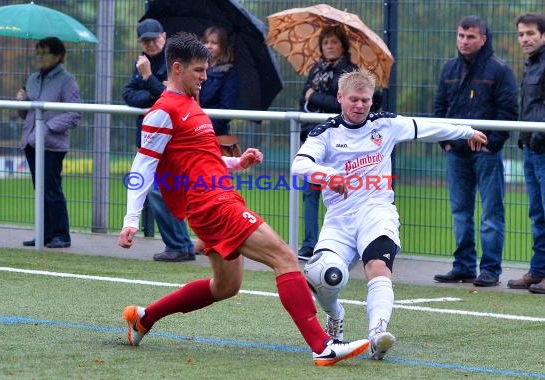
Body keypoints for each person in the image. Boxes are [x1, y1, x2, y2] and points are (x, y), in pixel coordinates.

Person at [119, 32, 370, 366]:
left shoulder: (192, 105)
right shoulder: (162, 112)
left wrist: (236, 163)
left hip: (217, 200)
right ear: (177, 69)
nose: (205, 77)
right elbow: (143, 167)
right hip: (213, 205)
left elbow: (201, 160)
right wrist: (131, 220)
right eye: (198, 71)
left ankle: (144, 318)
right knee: (284, 256)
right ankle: (323, 346)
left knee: (225, 286)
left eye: (206, 70)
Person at [291, 69, 488, 360]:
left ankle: (376, 335)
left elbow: (429, 127)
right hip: (339, 220)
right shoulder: (326, 133)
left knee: (378, 268)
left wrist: (467, 132)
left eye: (366, 100)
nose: (359, 106)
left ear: (372, 101)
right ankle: (335, 313)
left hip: (377, 211)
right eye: (354, 100)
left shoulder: (386, 125)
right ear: (340, 98)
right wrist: (327, 174)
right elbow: (299, 165)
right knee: (325, 277)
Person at [432, 15, 519, 287]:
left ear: (483, 39)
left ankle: (490, 269)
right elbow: (439, 108)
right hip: (455, 153)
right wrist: (445, 142)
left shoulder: (499, 70)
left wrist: (490, 143)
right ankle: (464, 266)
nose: (464, 41)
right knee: (460, 212)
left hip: (487, 154)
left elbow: (508, 112)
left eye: (470, 36)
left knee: (491, 213)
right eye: (461, 35)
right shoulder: (449, 69)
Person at [122, 18, 195, 262]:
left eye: (154, 39)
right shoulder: (141, 62)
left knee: (160, 192)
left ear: (164, 37)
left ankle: (179, 245)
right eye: (146, 40)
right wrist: (152, 89)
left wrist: (148, 77)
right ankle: (181, 245)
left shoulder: (173, 63)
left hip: (172, 141)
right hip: (152, 138)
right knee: (163, 191)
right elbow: (129, 95)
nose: (151, 44)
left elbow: (169, 96)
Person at [297, 25, 358, 262]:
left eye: (334, 42)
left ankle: (346, 243)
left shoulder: (350, 72)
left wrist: (315, 97)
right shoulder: (315, 69)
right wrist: (312, 98)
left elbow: (342, 104)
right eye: (325, 43)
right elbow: (302, 96)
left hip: (340, 141)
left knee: (342, 194)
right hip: (313, 138)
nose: (329, 47)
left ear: (343, 45)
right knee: (310, 192)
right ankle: (310, 244)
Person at [16, 37, 81, 249]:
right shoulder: (33, 78)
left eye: (44, 53)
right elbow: (24, 114)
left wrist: (47, 127)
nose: (40, 57)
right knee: (40, 189)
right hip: (30, 142)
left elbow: (75, 114)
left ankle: (61, 235)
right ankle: (43, 234)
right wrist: (21, 103)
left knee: (52, 189)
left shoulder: (67, 80)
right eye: (38, 52)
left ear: (58, 56)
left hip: (52, 145)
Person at [507, 13, 545, 294]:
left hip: (543, 146)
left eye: (530, 33)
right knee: (537, 214)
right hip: (531, 148)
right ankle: (539, 271)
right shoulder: (531, 65)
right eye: (521, 34)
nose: (525, 39)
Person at [199, 25, 239, 137]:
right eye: (206, 42)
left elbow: (226, 111)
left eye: (214, 43)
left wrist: (203, 128)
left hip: (214, 133)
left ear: (222, 46)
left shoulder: (230, 74)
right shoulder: (197, 69)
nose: (208, 46)